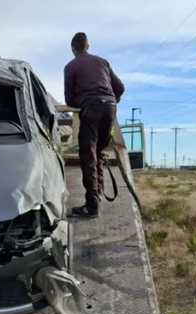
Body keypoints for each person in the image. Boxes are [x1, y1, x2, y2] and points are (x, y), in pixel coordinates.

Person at [63, 32, 125, 218]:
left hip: (91, 108)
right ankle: (95, 198)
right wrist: (110, 100)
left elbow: (69, 99)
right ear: (87, 46)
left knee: (88, 155)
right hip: (110, 108)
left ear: (73, 49)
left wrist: (85, 101)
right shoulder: (103, 62)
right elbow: (120, 88)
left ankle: (91, 206)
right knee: (97, 153)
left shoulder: (71, 66)